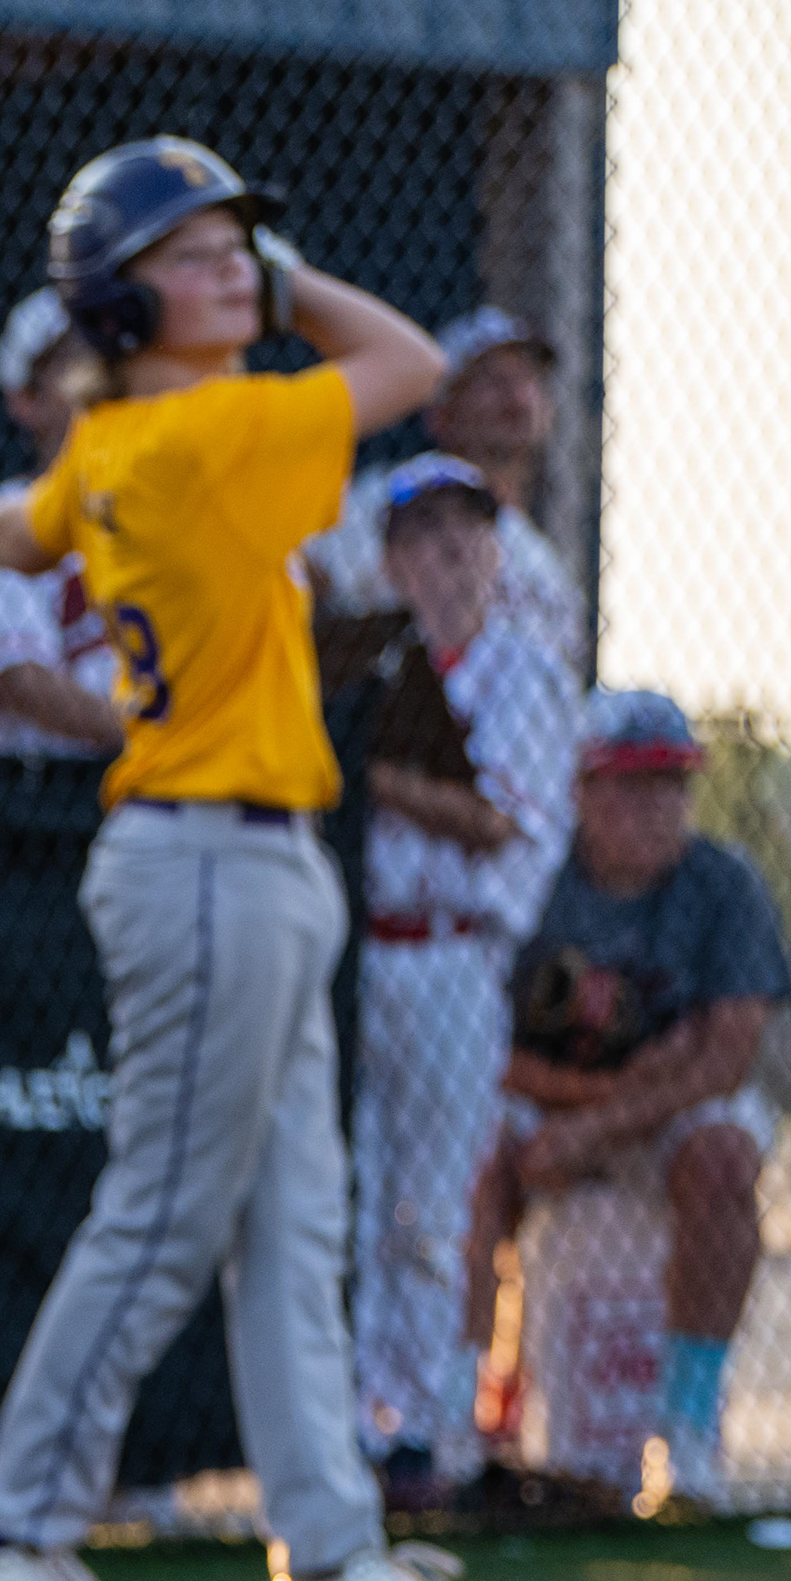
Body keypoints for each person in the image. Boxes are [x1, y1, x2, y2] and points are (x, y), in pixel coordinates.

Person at [0, 136, 531, 1581]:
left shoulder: (116, 441)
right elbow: (412, 362)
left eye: (243, 243)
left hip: (251, 860)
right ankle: (12, 1538)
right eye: (194, 251)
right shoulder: (220, 427)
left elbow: (24, 525)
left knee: (297, 1226)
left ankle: (333, 1565)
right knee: (165, 1213)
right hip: (213, 864)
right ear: (116, 298)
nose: (234, 265)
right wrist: (292, 287)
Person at [461, 689, 791, 1510]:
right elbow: (477, 1048)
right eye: (633, 785)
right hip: (553, 1102)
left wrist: (599, 1124)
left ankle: (685, 1432)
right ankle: (461, 1417)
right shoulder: (535, 881)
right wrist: (602, 1099)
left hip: (660, 1114)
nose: (658, 806)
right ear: (580, 791)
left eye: (672, 784)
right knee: (474, 1161)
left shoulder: (723, 883)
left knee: (725, 1160)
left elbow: (726, 1060)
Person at [346, 455, 577, 1502]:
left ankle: (428, 1428)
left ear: (495, 549)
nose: (448, 550)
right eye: (425, 533)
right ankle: (359, 1418)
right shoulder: (369, 659)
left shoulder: (524, 670)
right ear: (392, 558)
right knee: (353, 1196)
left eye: (466, 529)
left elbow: (495, 820)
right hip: (358, 950)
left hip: (452, 952)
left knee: (431, 1208)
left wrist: (380, 780)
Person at [306, 308, 587, 678]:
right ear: (441, 414)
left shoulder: (544, 559)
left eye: (528, 378)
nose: (516, 397)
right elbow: (310, 577)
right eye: (491, 381)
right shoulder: (386, 498)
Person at [0, 290, 124, 759]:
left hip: (155, 778)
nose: (98, 378)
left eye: (108, 356)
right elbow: (25, 684)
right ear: (25, 400)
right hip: (28, 785)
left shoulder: (165, 507)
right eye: (75, 361)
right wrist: (166, 745)